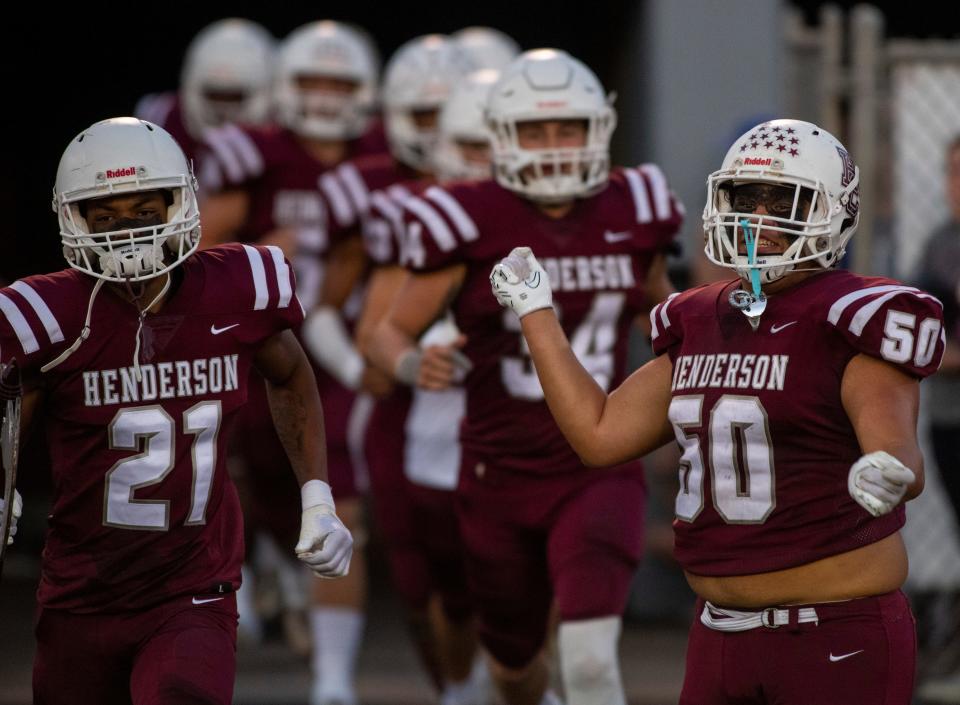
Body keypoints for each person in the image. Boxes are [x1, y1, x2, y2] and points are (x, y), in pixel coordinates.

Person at [490, 118, 945, 705]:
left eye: (782, 199)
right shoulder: (699, 316)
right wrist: (536, 313)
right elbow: (599, 436)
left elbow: (895, 446)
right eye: (745, 198)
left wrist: (887, 468)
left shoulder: (851, 316)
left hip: (832, 631)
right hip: (716, 634)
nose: (758, 217)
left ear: (834, 210)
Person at [0, 117, 352, 705]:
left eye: (143, 208)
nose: (126, 230)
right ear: (72, 218)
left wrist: (317, 497)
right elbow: (18, 403)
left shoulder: (238, 285)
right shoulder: (46, 312)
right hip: (80, 593)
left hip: (194, 585)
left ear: (181, 203)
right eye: (104, 214)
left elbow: (290, 373)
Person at [368, 49, 682, 705]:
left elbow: (662, 312)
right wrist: (409, 360)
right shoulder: (466, 215)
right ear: (501, 137)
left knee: (591, 658)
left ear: (598, 128)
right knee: (513, 668)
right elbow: (383, 330)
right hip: (497, 473)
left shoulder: (637, 205)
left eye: (567, 127)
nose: (553, 146)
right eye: (535, 131)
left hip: (598, 463)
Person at [195, 21, 386, 704]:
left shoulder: (382, 153)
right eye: (312, 82)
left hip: (345, 350)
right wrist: (253, 246)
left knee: (345, 505)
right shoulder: (258, 154)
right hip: (265, 348)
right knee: (248, 475)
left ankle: (332, 680)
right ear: (284, 87)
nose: (327, 97)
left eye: (340, 83)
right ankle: (272, 560)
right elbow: (198, 249)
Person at [135, 18, 276, 164]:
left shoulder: (284, 135)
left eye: (234, 96)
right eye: (215, 95)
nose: (223, 110)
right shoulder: (161, 117)